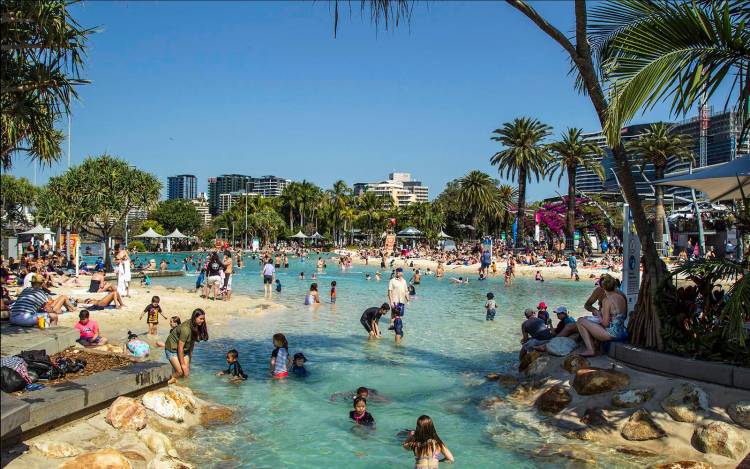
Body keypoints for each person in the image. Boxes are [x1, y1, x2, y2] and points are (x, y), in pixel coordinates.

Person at [576, 275, 628, 357]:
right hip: (622, 331)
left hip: (612, 334)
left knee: (580, 321)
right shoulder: (621, 297)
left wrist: (599, 314)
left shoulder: (607, 300)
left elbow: (605, 324)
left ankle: (590, 350)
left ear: (602, 288)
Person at [165, 309, 208, 383]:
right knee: (180, 372)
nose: (202, 321)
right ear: (195, 318)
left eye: (203, 319)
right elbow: (180, 347)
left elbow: (192, 344)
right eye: (201, 319)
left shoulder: (196, 326)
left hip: (184, 349)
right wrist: (183, 364)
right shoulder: (186, 329)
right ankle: (164, 382)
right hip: (172, 348)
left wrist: (189, 359)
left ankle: (182, 386)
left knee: (186, 373)